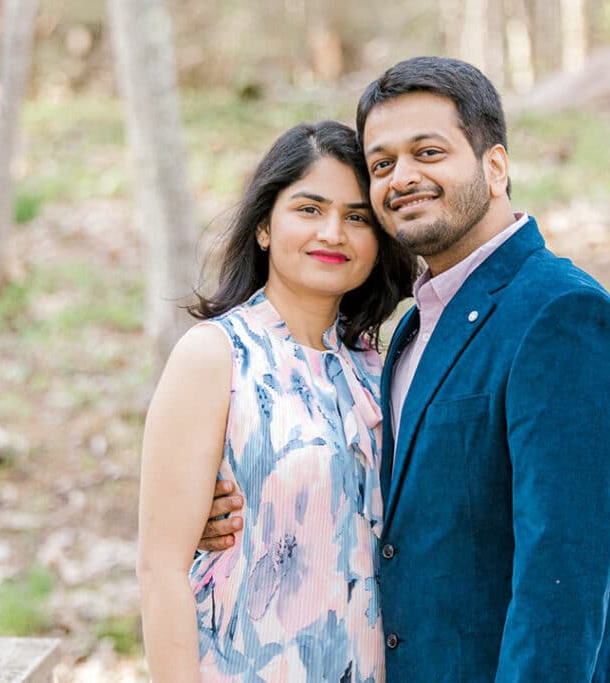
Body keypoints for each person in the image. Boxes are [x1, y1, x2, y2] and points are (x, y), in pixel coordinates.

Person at [202, 57, 610, 682]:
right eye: (381, 163)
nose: (402, 177)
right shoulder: (411, 328)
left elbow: (564, 582)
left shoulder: (561, 314)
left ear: (495, 167)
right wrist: (223, 515)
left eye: (428, 152)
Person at [138, 120, 416, 682]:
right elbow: (160, 567)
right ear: (265, 225)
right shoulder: (215, 355)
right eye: (309, 209)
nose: (333, 233)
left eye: (357, 217)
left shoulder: (378, 367)